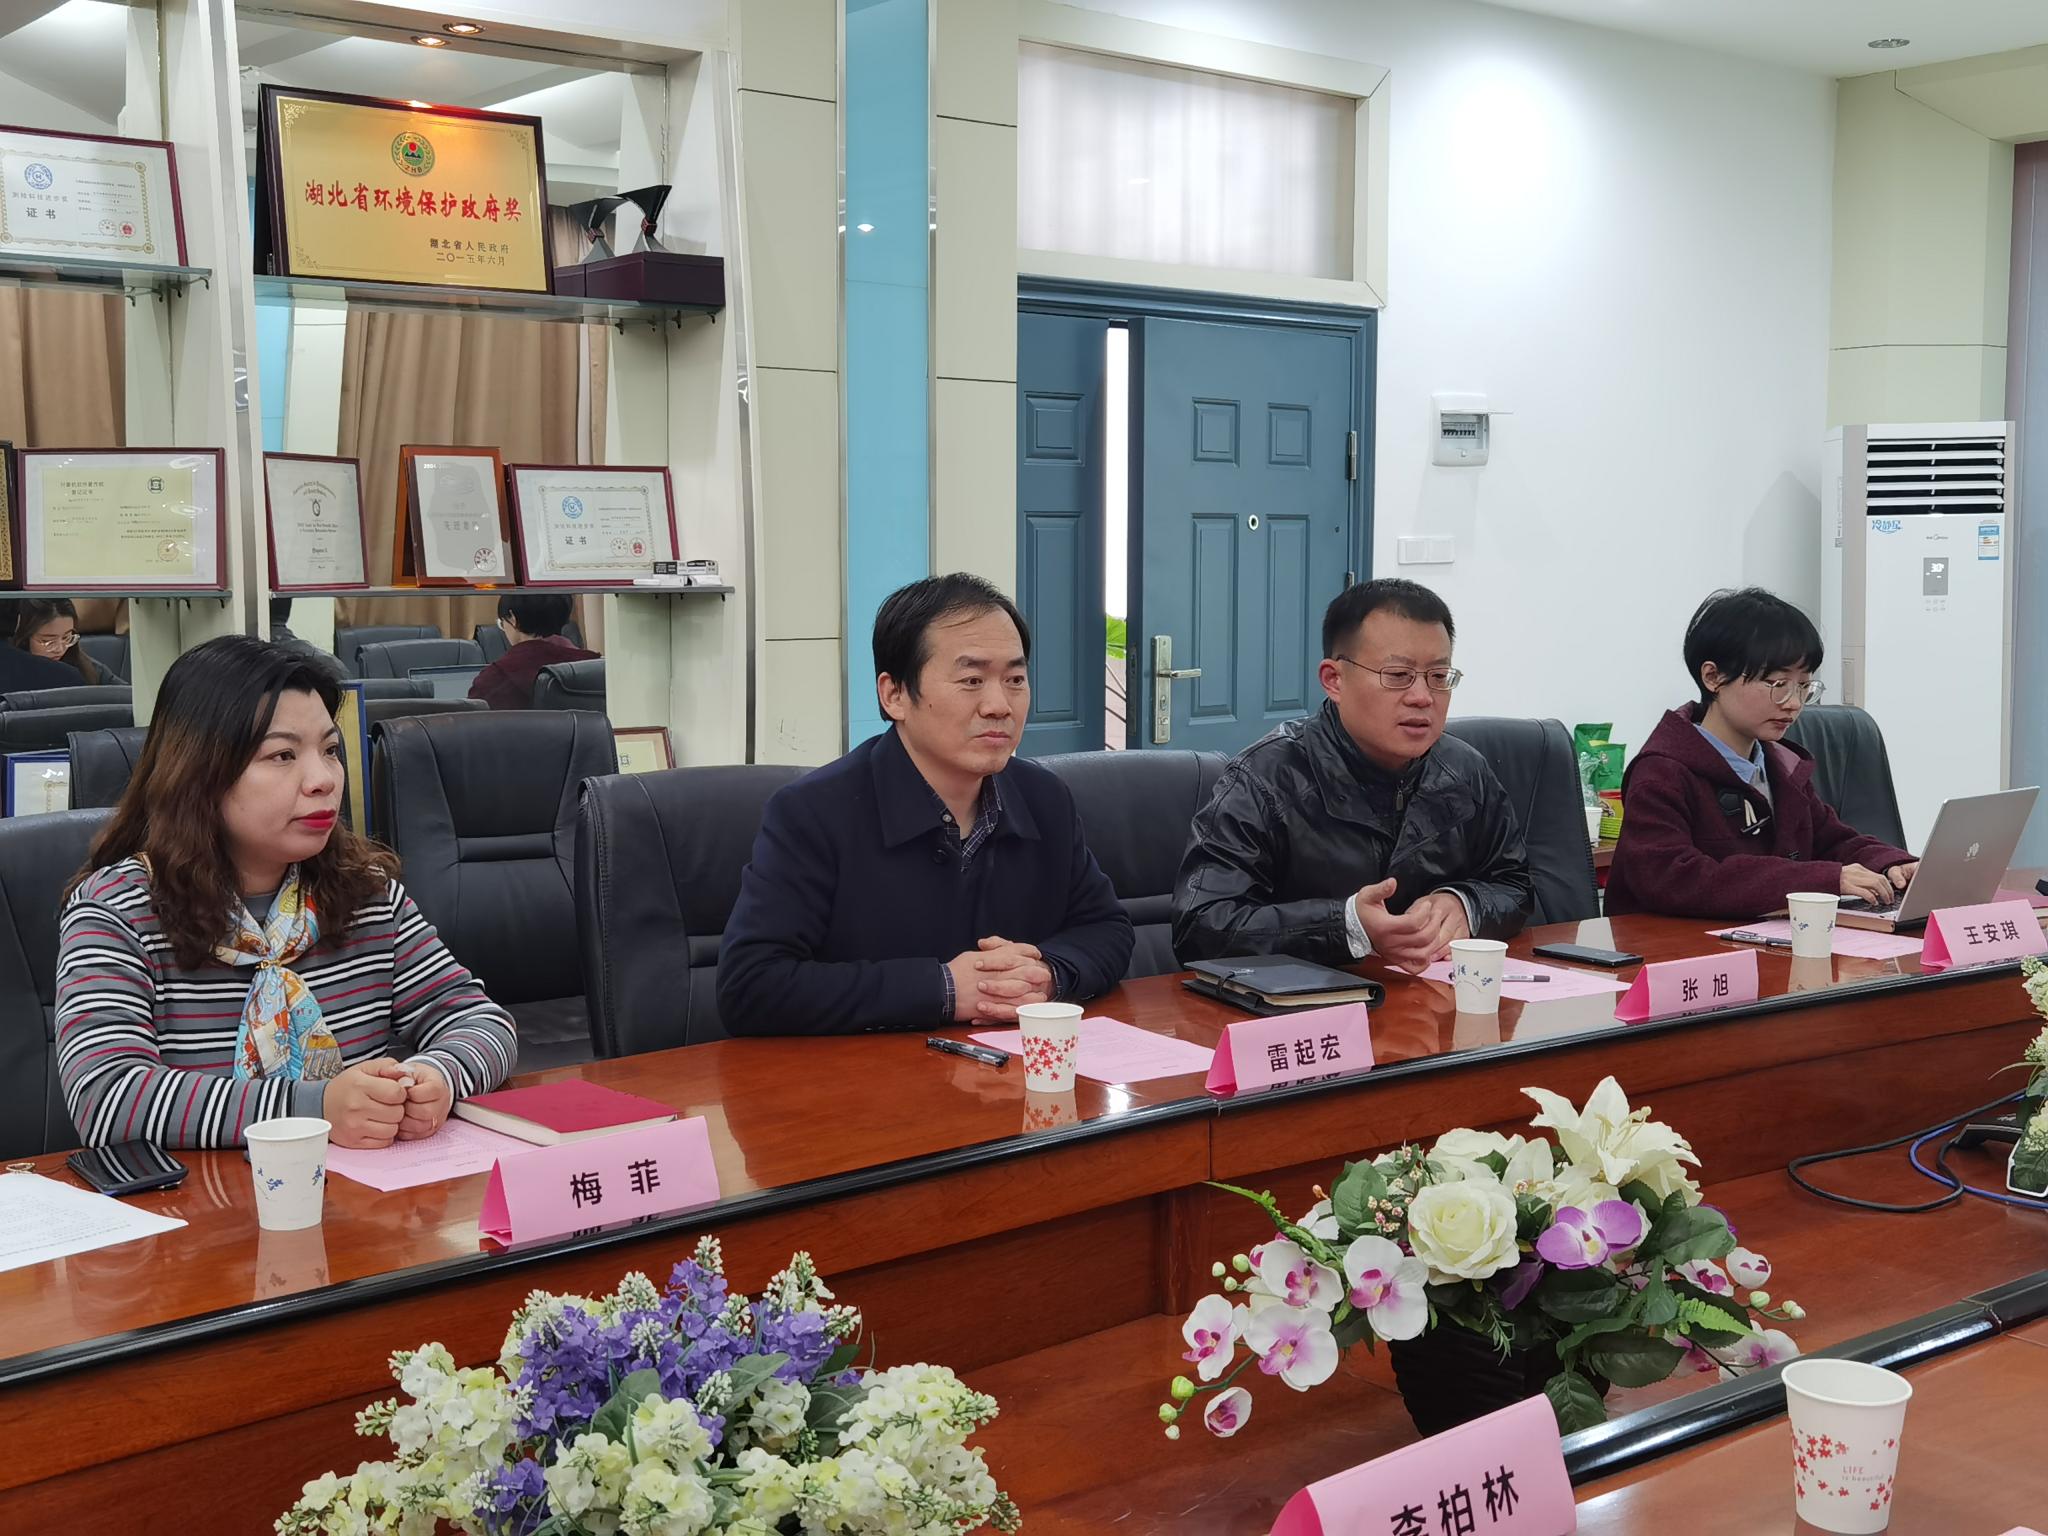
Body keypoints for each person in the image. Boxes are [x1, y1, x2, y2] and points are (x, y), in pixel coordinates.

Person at [56, 635, 517, 1149]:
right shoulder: (118, 911)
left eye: (330, 750)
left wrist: (438, 1076)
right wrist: (315, 1108)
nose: (323, 780)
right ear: (200, 771)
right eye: (282, 755)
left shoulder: (365, 893)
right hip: (199, 1195)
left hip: (361, 1187)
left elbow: (480, 1020)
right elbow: (107, 1099)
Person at [718, 573, 1133, 1034]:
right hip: (873, 1074)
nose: (999, 705)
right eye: (972, 680)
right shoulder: (813, 812)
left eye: (1015, 679)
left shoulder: (1043, 797)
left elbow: (1107, 929)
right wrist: (944, 989)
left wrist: (1047, 974)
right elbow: (751, 985)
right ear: (894, 694)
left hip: (1013, 1066)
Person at [1173, 579, 1531, 973]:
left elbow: (1514, 884)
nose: (1422, 697)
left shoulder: (1464, 770)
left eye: (1439, 676)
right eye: (1398, 675)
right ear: (1334, 680)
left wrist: (1465, 903)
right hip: (1309, 1003)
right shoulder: (1264, 779)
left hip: (1427, 997)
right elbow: (1200, 928)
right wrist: (1346, 925)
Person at [1605, 588, 1916, 919]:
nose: (1793, 703)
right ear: (1713, 677)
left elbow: (1831, 840)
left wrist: (1891, 863)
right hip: (1672, 945)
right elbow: (1672, 877)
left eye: (1804, 686)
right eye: (1777, 684)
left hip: (1759, 937)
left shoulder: (1780, 765)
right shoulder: (1661, 772)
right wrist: (1823, 880)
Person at [468, 593, 598, 710]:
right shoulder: (594, 668)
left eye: (502, 623)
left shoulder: (494, 679)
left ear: (513, 618)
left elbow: (473, 724)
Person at [10, 598, 103, 684]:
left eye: (66, 637)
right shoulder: (9, 673)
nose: (60, 649)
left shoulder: (94, 671)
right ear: (25, 638)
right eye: (48, 640)